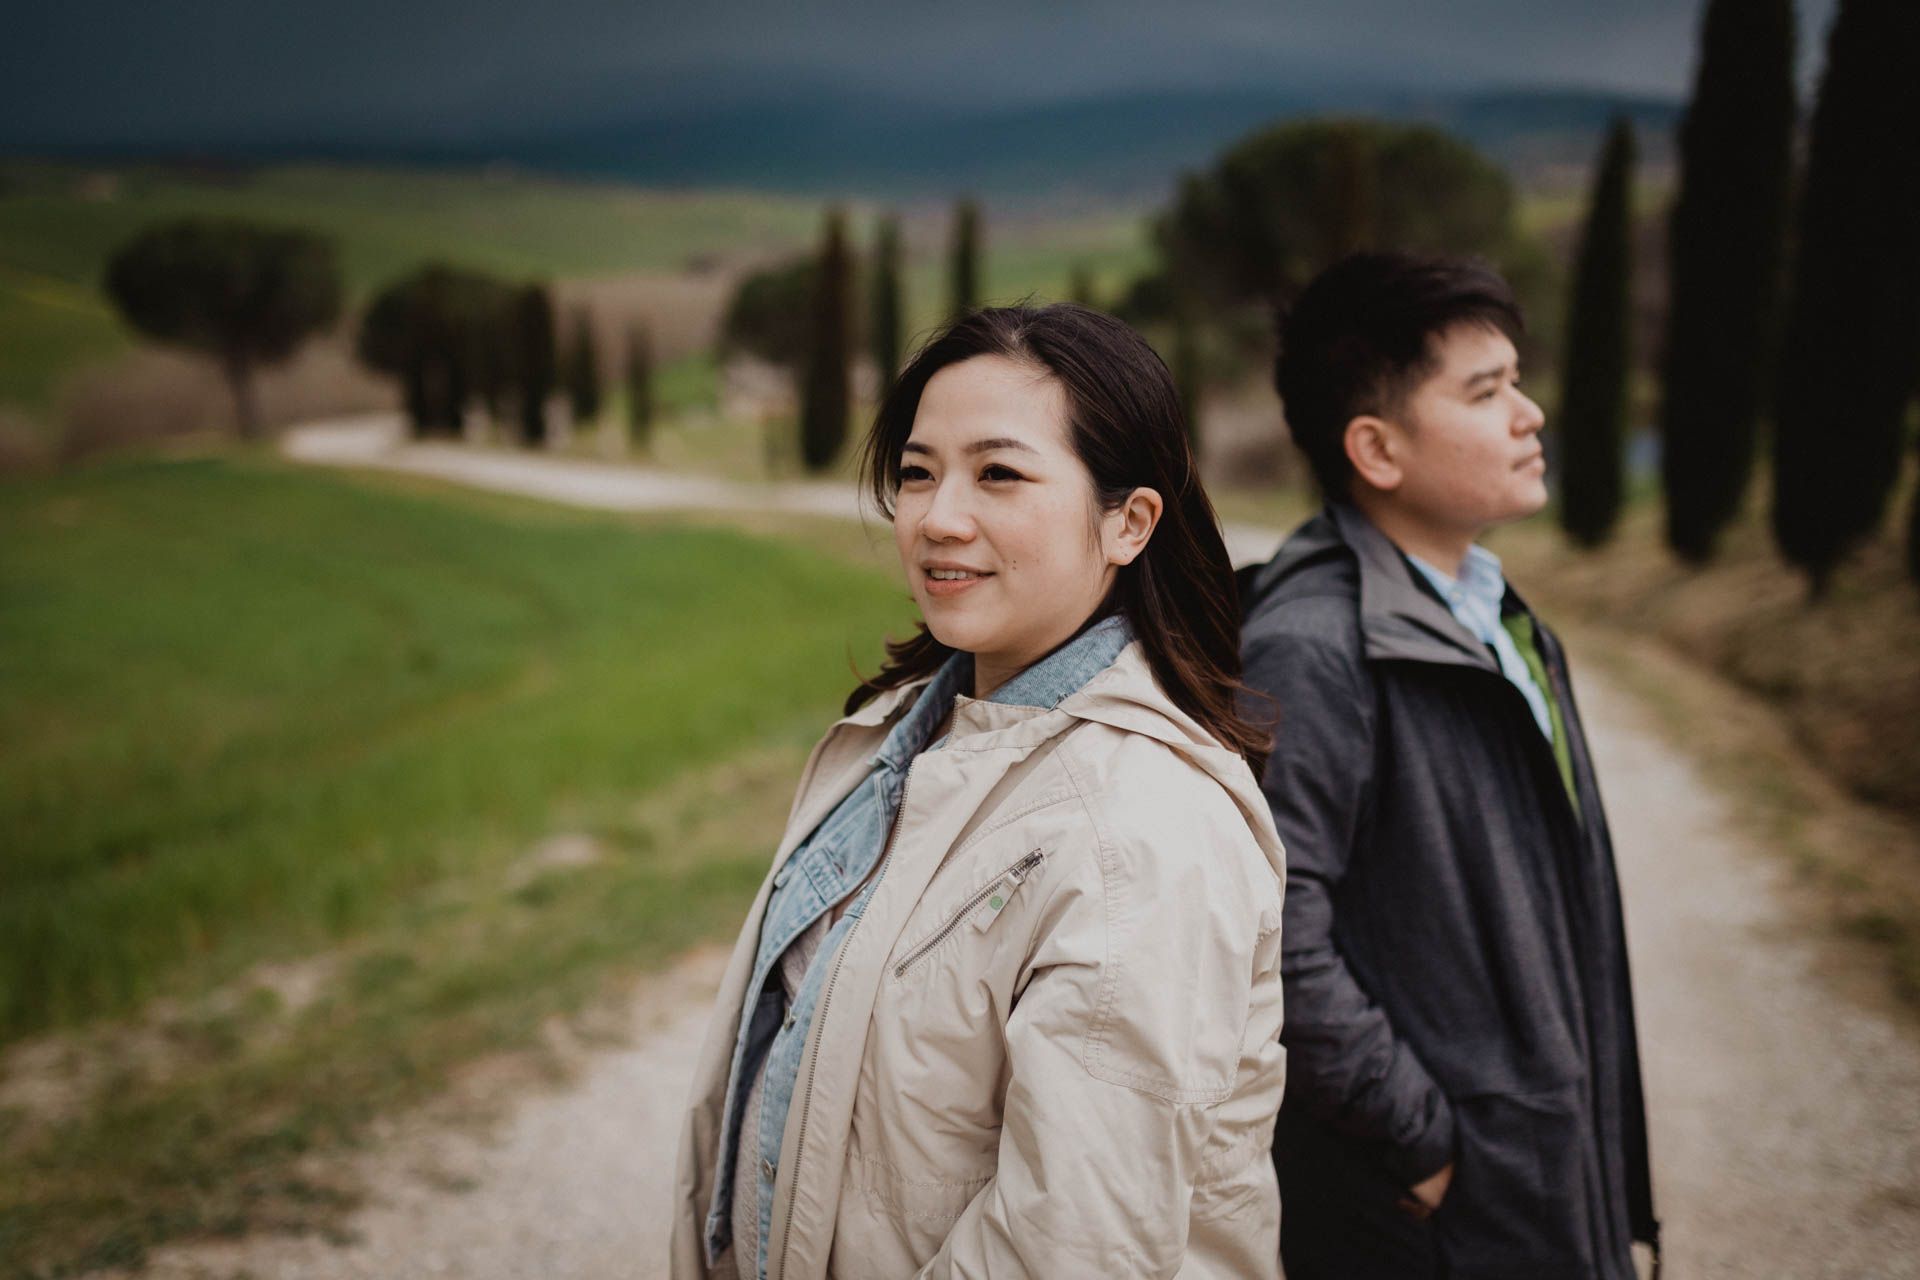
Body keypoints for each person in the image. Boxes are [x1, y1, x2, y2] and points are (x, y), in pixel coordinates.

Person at [670, 304, 1288, 1279]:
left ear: (1128, 521)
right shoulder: (909, 732)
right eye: (918, 471)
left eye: (999, 472)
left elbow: (1073, 1251)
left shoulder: (1141, 831)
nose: (937, 516)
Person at [1240, 252, 1660, 1279]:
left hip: (1544, 1175)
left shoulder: (1497, 614)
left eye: (1517, 380)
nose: (1532, 415)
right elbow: (1269, 930)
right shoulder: (1315, 645)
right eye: (1487, 391)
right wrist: (1415, 1135)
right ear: (1376, 447)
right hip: (1438, 1215)